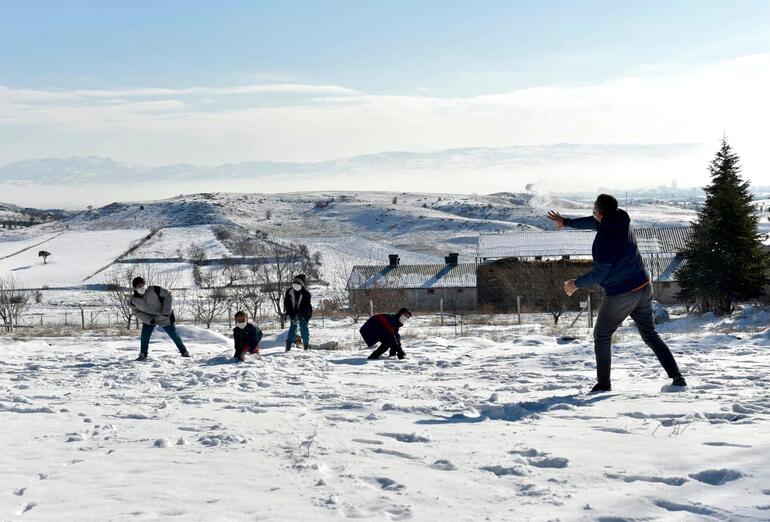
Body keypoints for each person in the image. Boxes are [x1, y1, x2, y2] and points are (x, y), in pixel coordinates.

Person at [547, 194, 687, 393]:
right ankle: (678, 378)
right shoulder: (620, 218)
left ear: (601, 214)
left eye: (594, 211)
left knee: (602, 334)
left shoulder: (605, 239)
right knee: (650, 335)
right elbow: (592, 221)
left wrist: (575, 284)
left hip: (622, 293)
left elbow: (601, 272)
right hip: (644, 287)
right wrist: (566, 222)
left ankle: (603, 385)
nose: (593, 214)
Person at [129, 276, 190, 361]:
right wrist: (149, 320)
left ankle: (184, 351)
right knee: (144, 336)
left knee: (174, 335)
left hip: (165, 316)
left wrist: (165, 313)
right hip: (150, 319)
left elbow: (168, 294)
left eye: (143, 285)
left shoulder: (154, 289)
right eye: (139, 286)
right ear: (134, 288)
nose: (142, 288)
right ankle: (143, 354)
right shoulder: (133, 300)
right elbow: (136, 312)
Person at [283, 274, 312, 351]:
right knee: (293, 327)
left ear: (302, 285)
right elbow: (287, 304)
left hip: (303, 313)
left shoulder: (306, 294)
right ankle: (288, 347)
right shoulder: (289, 292)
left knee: (304, 328)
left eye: (298, 283)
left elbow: (306, 307)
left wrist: (300, 314)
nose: (296, 285)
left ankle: (306, 346)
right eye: (295, 283)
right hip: (293, 312)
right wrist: (291, 314)